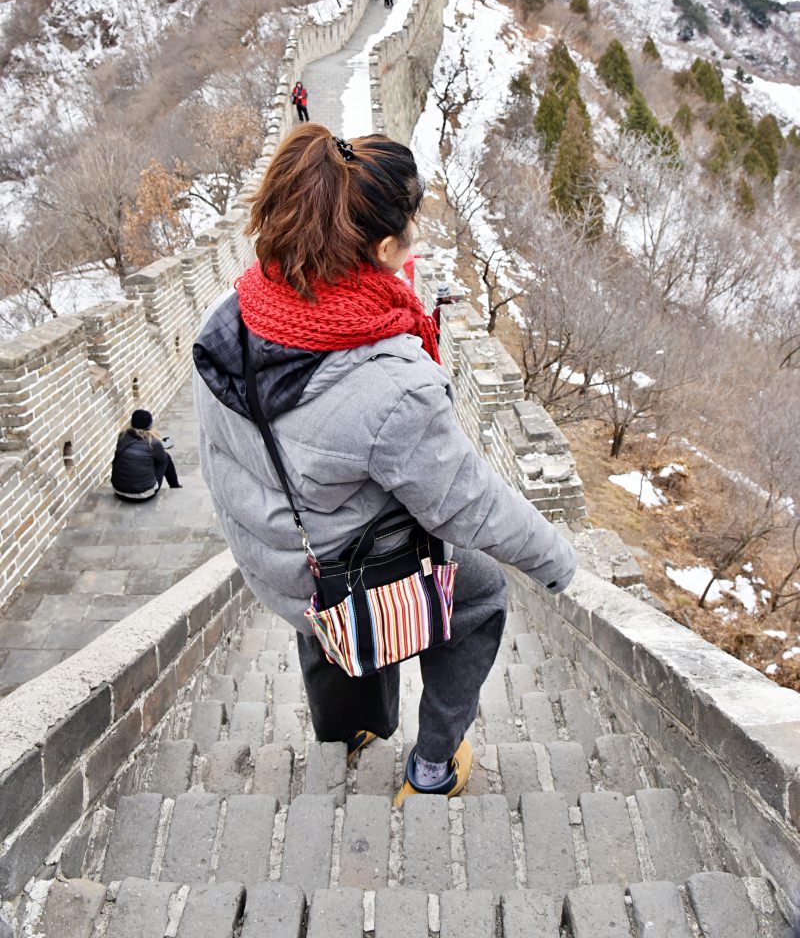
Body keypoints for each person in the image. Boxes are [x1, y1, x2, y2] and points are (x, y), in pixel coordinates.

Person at [193, 123, 576, 803]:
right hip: (333, 569)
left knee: (327, 607)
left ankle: (352, 729)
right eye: (409, 229)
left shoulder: (234, 309)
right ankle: (430, 770)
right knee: (482, 593)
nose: (416, 241)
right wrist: (557, 561)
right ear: (379, 249)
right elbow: (470, 504)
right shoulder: (389, 383)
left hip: (270, 558)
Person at [111, 410, 181, 500]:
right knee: (166, 457)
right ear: (150, 425)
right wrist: (161, 443)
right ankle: (175, 486)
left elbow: (139, 441)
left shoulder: (122, 436)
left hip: (119, 491)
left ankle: (174, 485)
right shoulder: (154, 443)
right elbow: (163, 457)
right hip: (143, 494)